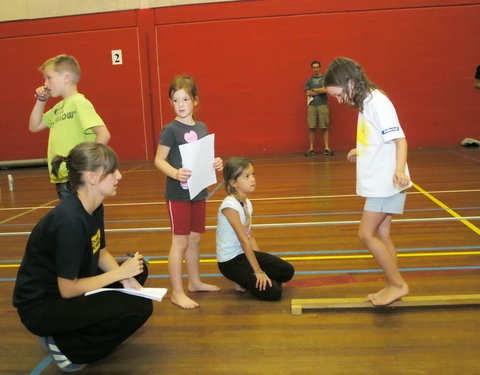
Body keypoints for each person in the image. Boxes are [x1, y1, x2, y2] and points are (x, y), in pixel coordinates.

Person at [13, 142, 153, 373]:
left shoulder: (93, 206)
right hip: (43, 306)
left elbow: (100, 251)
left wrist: (128, 278)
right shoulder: (69, 222)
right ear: (92, 178)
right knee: (140, 307)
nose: (119, 175)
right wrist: (120, 274)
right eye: (112, 171)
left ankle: (70, 329)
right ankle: (68, 347)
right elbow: (68, 289)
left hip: (68, 287)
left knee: (139, 272)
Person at [323, 57, 411, 306]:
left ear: (350, 82)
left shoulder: (377, 102)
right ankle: (392, 284)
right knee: (382, 234)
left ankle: (397, 284)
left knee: (365, 233)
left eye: (339, 94)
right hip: (382, 179)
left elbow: (399, 139)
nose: (339, 101)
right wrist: (360, 149)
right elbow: (377, 137)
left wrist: (399, 170)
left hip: (386, 181)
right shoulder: (366, 101)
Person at [154, 75, 223, 309]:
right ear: (171, 102)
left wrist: (215, 163)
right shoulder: (170, 130)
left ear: (195, 101)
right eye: (175, 100)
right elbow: (159, 160)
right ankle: (177, 292)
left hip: (199, 193)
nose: (181, 104)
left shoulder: (202, 128)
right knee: (180, 242)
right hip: (178, 195)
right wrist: (175, 173)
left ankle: (194, 282)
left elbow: (203, 158)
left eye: (185, 99)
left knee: (195, 239)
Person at [28, 54, 111, 199]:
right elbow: (34, 126)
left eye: (49, 77)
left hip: (78, 178)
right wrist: (41, 100)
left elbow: (104, 134)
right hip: (63, 177)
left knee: (82, 219)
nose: (45, 84)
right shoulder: (58, 108)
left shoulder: (79, 102)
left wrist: (88, 166)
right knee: (72, 220)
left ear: (66, 78)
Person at [216, 157, 295, 300]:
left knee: (287, 271)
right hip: (230, 261)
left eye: (253, 174)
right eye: (246, 176)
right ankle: (243, 280)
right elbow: (243, 240)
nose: (252, 179)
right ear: (234, 183)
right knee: (274, 293)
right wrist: (258, 271)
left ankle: (246, 281)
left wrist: (261, 264)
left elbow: (250, 237)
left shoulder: (247, 203)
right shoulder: (230, 206)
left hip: (244, 255)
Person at [304, 60, 333, 156]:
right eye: (314, 67)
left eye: (317, 67)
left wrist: (314, 90)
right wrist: (319, 91)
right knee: (311, 126)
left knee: (324, 126)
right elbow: (307, 92)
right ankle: (311, 148)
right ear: (312, 69)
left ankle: (327, 147)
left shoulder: (324, 79)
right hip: (312, 105)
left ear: (320, 68)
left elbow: (326, 89)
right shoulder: (309, 80)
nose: (316, 69)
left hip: (322, 105)